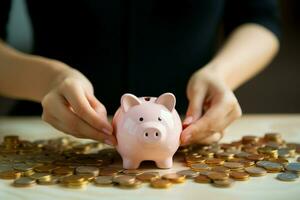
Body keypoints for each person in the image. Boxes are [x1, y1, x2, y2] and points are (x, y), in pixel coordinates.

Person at [0, 1, 280, 146]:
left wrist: (221, 74)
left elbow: (259, 18)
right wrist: (49, 79)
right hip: (49, 122)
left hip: (188, 126)